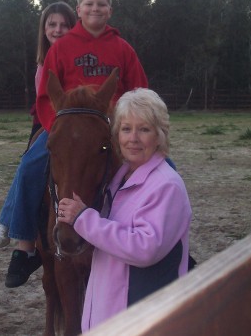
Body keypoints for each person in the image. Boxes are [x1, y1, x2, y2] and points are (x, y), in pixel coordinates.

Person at [0, 0, 148, 289]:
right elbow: (44, 96)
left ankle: (166, 241)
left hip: (114, 126)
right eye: (89, 4)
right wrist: (60, 129)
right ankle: (24, 245)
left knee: (161, 168)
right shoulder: (62, 48)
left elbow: (139, 89)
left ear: (110, 10)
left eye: (101, 4)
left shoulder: (123, 49)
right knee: (29, 168)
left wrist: (130, 122)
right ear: (78, 10)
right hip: (66, 127)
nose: (95, 9)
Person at [57, 87, 192, 332]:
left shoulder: (166, 186)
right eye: (126, 129)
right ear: (116, 134)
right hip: (111, 315)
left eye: (144, 129)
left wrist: (85, 220)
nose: (133, 138)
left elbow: (145, 248)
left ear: (159, 135)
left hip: (145, 318)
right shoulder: (119, 180)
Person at [0, 3, 76, 257]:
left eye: (64, 24)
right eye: (52, 24)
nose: (58, 30)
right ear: (44, 29)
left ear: (73, 27)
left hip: (78, 122)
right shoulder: (42, 64)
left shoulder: (77, 57)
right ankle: (18, 232)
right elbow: (44, 104)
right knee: (28, 166)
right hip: (52, 123)